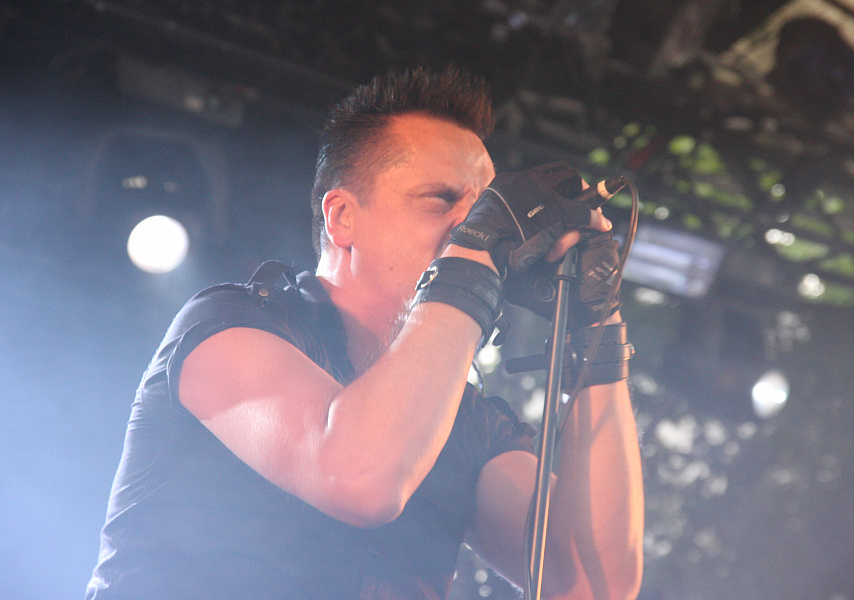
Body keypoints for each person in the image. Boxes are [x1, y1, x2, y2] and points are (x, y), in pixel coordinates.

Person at [86, 68, 644, 600]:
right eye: (442, 200)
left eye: (484, 211)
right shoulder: (229, 327)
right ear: (342, 218)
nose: (472, 227)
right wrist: (474, 255)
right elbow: (359, 478)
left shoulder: (467, 420)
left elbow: (593, 586)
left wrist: (596, 328)